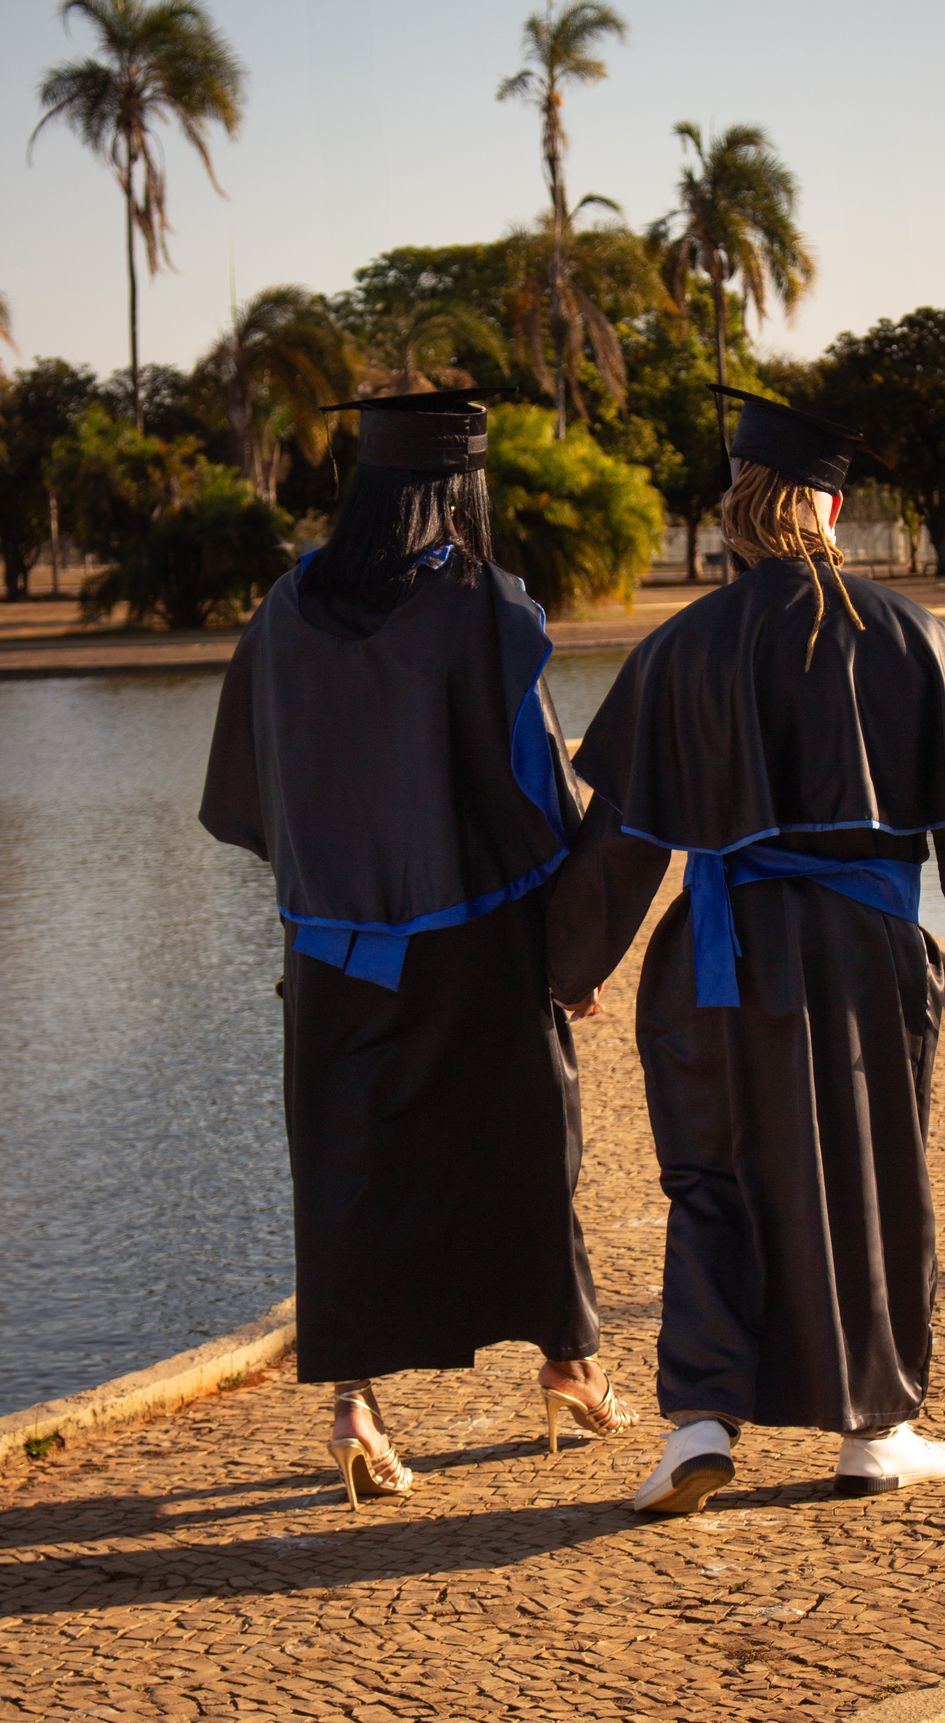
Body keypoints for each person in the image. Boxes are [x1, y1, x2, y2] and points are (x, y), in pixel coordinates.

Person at [545, 386, 945, 1515]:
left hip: (713, 957)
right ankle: (875, 1432)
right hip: (859, 958)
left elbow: (624, 839)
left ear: (736, 509)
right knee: (871, 1176)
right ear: (830, 508)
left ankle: (699, 1423)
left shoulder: (678, 648)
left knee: (710, 1179)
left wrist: (570, 970)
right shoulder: (912, 637)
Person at [200, 390, 635, 1509]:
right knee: (532, 1153)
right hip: (477, 944)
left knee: (347, 1170)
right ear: (460, 489)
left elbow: (253, 778)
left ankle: (355, 1407)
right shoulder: (482, 605)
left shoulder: (286, 607)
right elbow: (539, 788)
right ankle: (570, 1366)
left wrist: (335, 876)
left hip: (332, 953)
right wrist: (571, 950)